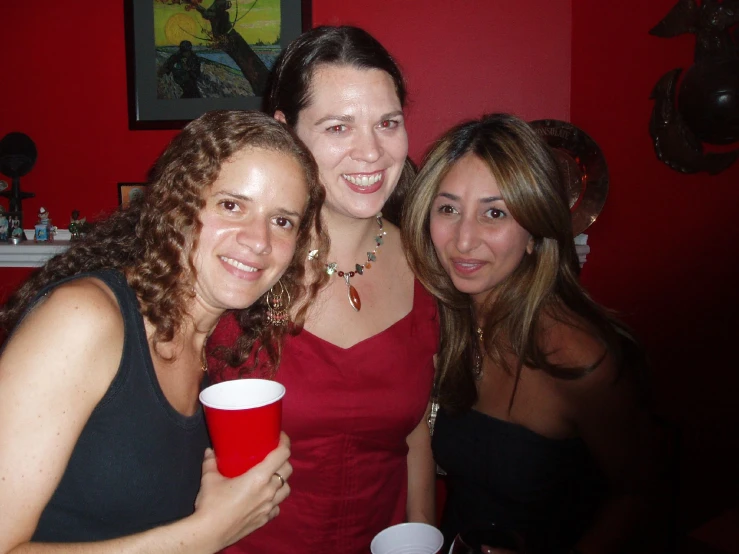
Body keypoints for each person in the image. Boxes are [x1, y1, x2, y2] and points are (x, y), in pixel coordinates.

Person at [0, 110, 327, 551]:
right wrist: (205, 534)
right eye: (231, 205)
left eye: (282, 220)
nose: (259, 240)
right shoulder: (85, 318)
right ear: (177, 205)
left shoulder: (212, 349)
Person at [207, 26, 439, 554]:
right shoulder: (239, 262)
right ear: (285, 131)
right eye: (339, 126)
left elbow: (416, 433)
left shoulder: (430, 264)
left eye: (388, 123)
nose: (372, 152)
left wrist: (424, 533)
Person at [402, 114, 661, 554]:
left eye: (495, 213)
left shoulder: (577, 358)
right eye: (448, 209)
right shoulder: (444, 321)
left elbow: (639, 493)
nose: (464, 240)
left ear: (534, 232)